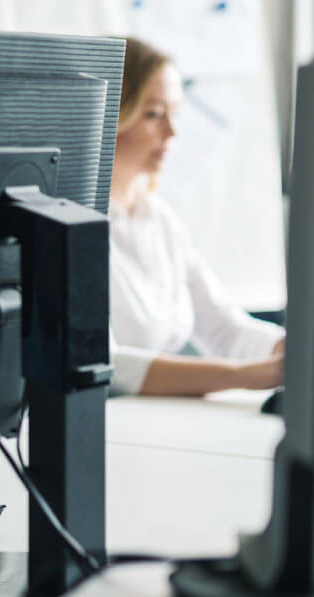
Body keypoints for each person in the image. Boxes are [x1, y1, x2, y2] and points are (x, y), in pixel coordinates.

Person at [109, 38, 285, 396]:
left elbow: (222, 328)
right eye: (154, 114)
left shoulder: (158, 219)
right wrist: (244, 375)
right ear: (109, 114)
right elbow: (104, 365)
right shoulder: (69, 226)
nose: (172, 132)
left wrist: (292, 353)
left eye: (175, 112)